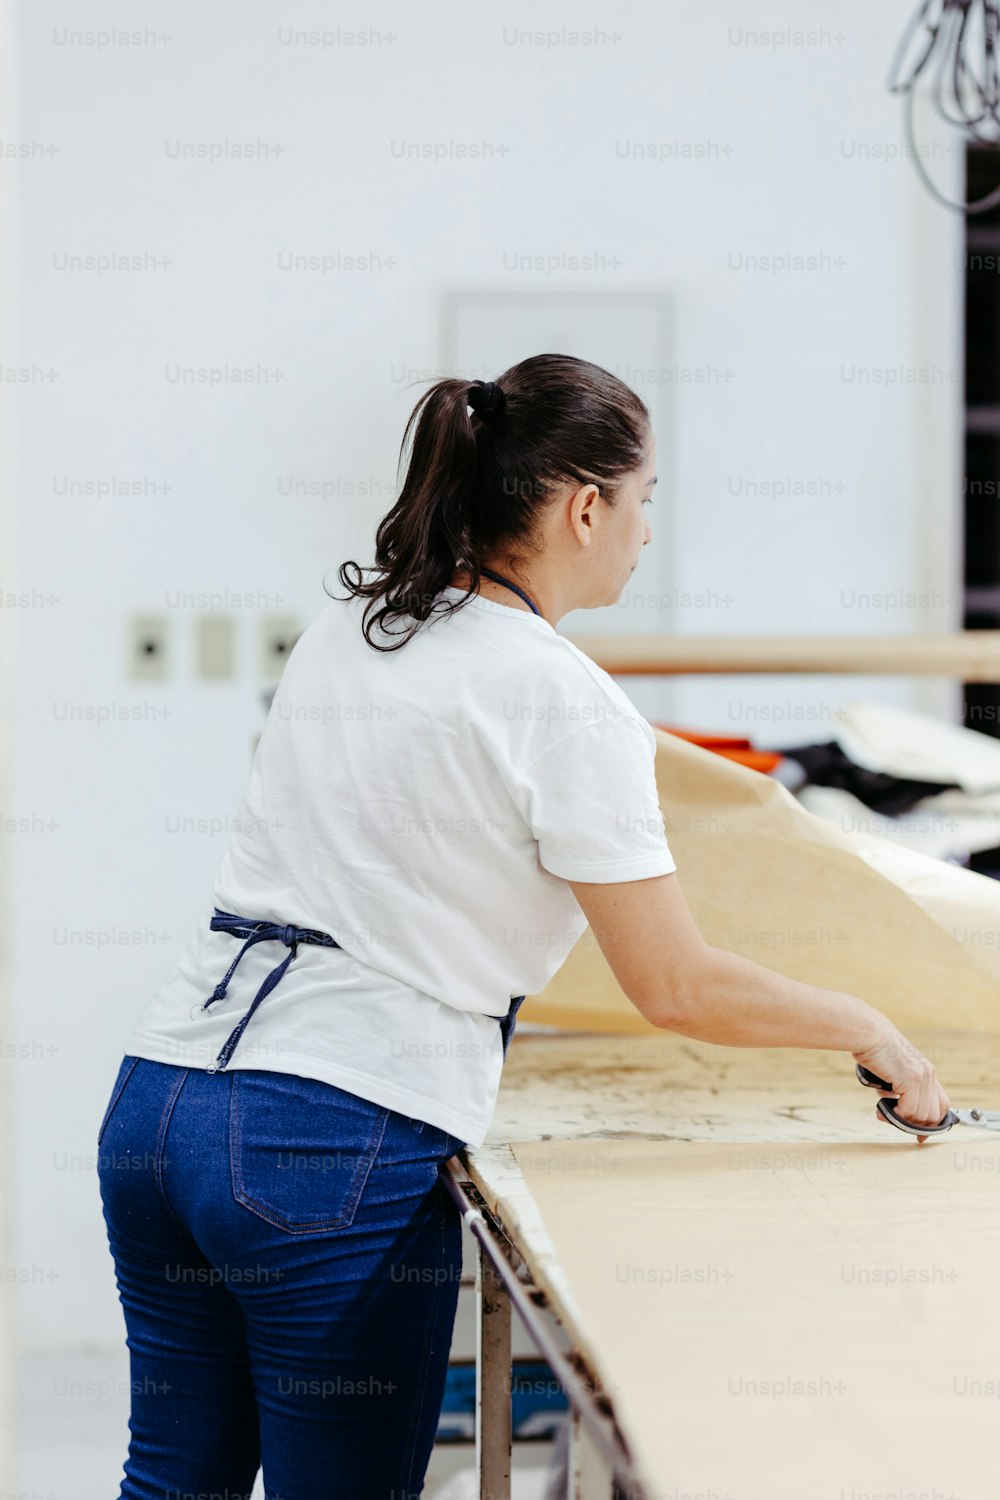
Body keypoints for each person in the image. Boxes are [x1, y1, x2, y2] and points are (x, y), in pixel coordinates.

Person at [96, 352, 951, 1500]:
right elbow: (674, 986)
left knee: (171, 1482)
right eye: (643, 501)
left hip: (160, 1104)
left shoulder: (350, 631)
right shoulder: (560, 696)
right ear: (583, 505)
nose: (644, 531)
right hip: (321, 1142)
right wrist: (872, 1030)